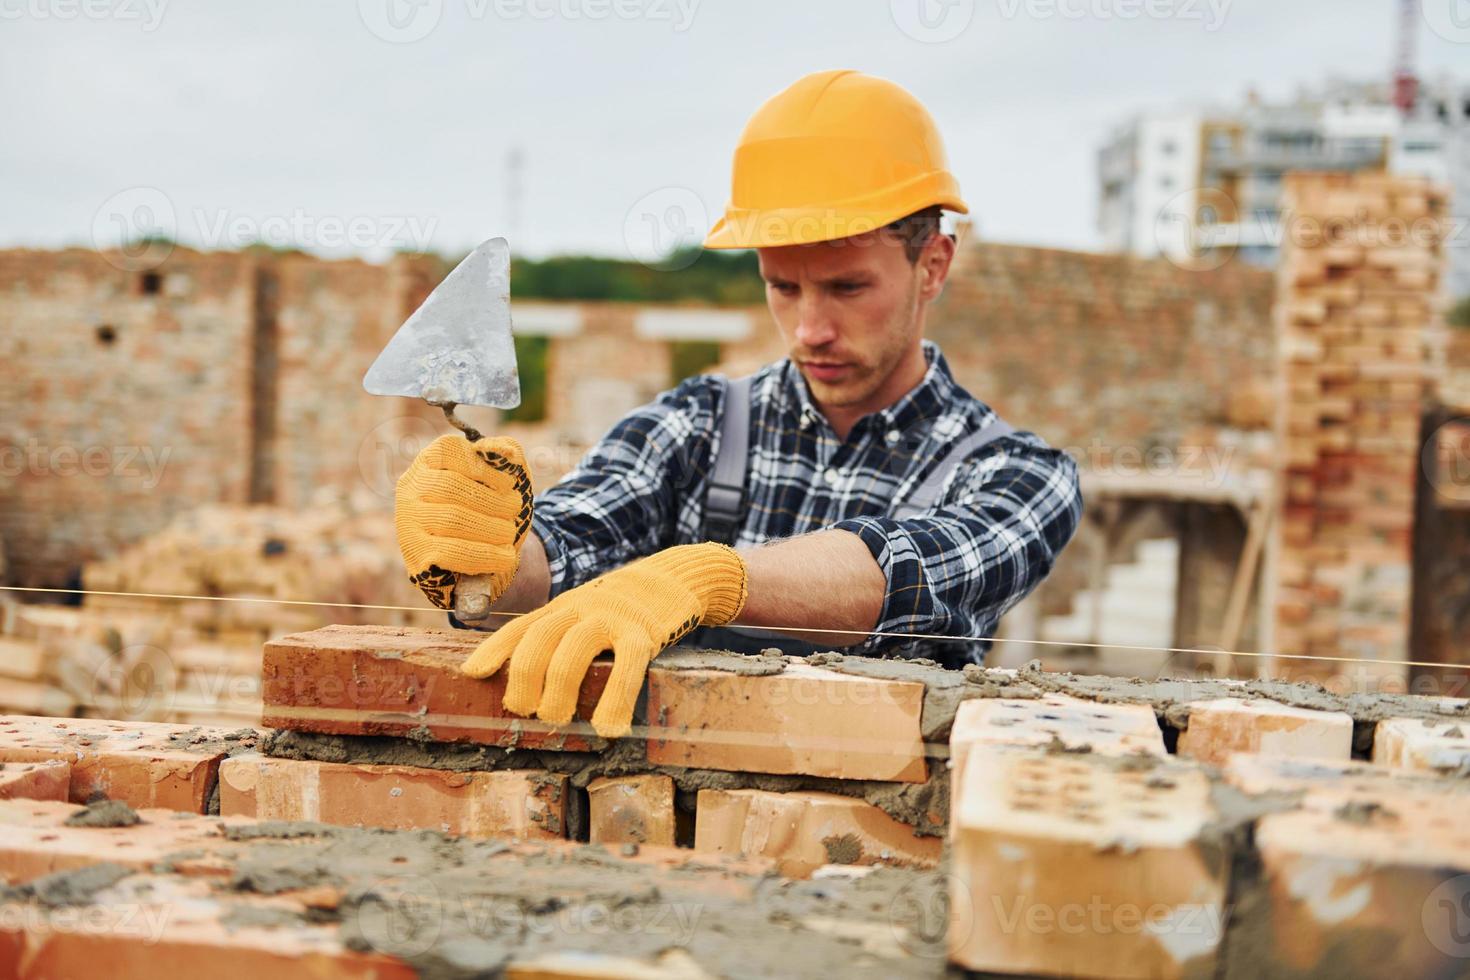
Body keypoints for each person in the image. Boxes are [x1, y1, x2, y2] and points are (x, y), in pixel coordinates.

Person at [393, 69, 1082, 738]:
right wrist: (491, 560)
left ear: (933, 264)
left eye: (846, 288)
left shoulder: (1018, 474)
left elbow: (910, 571)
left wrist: (714, 578)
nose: (809, 328)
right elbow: (577, 537)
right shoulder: (698, 423)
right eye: (783, 286)